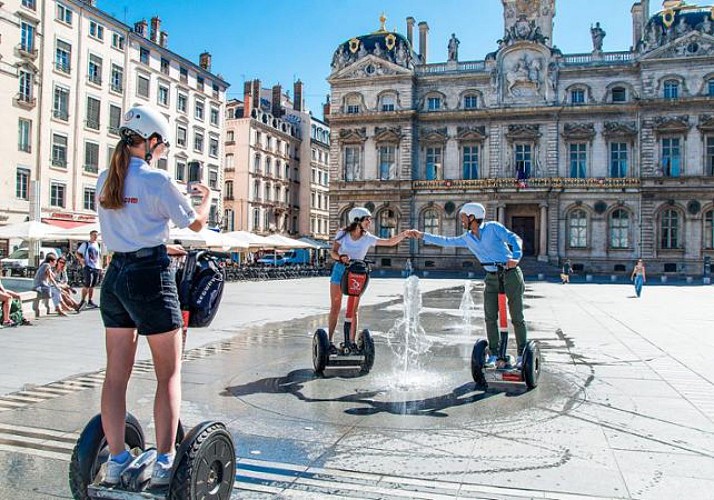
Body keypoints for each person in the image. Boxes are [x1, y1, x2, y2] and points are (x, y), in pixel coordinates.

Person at [96, 104, 211, 487]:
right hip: (149, 277)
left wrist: (160, 244)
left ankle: (116, 460)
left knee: (115, 376)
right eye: (161, 146)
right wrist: (205, 198)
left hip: (115, 277)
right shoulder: (158, 181)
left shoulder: (103, 180)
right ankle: (164, 461)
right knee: (168, 373)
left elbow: (130, 229)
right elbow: (195, 224)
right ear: (152, 141)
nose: (162, 152)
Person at [407, 202, 527, 368]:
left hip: (511, 274)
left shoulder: (493, 228)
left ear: (472, 217)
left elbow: (515, 238)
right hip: (492, 277)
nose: (461, 221)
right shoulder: (468, 238)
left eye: (463, 217)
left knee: (517, 317)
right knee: (490, 316)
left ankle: (522, 354)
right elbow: (446, 241)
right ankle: (494, 353)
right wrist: (421, 235)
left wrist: (516, 257)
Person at [328, 207, 408, 352]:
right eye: (367, 219)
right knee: (335, 306)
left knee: (353, 310)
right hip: (340, 270)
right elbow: (333, 252)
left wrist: (404, 234)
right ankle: (329, 341)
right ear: (357, 220)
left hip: (357, 272)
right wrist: (340, 257)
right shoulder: (343, 234)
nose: (369, 222)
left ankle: (351, 342)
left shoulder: (367, 238)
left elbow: (389, 242)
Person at [76, 230, 102, 310]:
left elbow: (99, 256)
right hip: (88, 266)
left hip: (96, 267)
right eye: (94, 235)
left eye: (96, 235)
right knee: (87, 283)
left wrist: (100, 267)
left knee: (93, 285)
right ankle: (82, 300)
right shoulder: (86, 244)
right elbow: (77, 253)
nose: (95, 237)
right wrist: (81, 260)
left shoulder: (98, 244)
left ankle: (90, 300)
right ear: (90, 235)